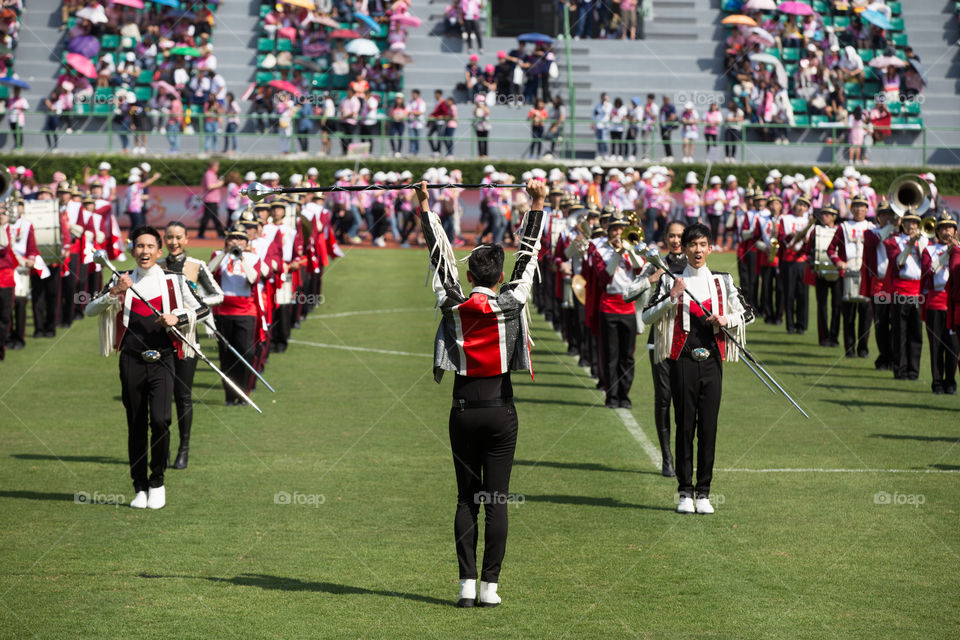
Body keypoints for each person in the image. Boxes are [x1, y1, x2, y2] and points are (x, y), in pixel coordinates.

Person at [413, 177, 545, 608]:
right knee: (497, 499)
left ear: (469, 274)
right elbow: (529, 256)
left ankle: (466, 585)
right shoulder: (513, 300)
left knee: (466, 498)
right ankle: (490, 587)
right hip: (501, 410)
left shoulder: (453, 303)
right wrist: (537, 204)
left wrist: (426, 206)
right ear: (499, 276)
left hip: (463, 408)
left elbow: (438, 259)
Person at [84, 226, 210, 509]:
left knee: (162, 420)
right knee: (136, 423)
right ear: (133, 251)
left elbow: (203, 309)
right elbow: (90, 310)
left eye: (150, 247)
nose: (144, 252)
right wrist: (113, 292)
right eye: (139, 246)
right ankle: (139, 486)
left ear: (159, 251)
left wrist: (178, 318)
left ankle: (157, 481)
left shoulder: (174, 281)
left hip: (164, 359)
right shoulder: (121, 279)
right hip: (131, 360)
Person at [642, 223, 753, 515]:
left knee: (708, 426)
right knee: (685, 425)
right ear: (684, 248)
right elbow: (646, 315)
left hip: (713, 362)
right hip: (682, 361)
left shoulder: (723, 281)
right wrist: (672, 297)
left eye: (703, 244)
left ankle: (704, 491)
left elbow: (748, 312)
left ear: (711, 248)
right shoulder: (671, 280)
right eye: (692, 245)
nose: (697, 250)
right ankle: (684, 492)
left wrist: (726, 319)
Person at [158, 222, 224, 468]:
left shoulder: (197, 266)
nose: (173, 242)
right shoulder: (156, 267)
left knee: (182, 396)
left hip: (187, 339)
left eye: (178, 237)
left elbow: (217, 295)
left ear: (186, 239)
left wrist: (192, 302)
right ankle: (162, 448)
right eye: (169, 237)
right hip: (161, 338)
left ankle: (183, 449)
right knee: (161, 398)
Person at [630, 220, 685, 476]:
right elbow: (628, 293)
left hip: (686, 343)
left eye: (680, 237)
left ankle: (683, 454)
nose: (675, 241)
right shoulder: (655, 262)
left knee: (685, 402)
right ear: (665, 237)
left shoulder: (695, 266)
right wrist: (651, 278)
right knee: (664, 400)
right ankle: (667, 457)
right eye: (671, 236)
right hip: (660, 341)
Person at [208, 224, 264, 404]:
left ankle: (243, 394)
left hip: (246, 311)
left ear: (247, 242)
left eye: (241, 239)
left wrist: (242, 259)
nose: (237, 242)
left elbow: (253, 279)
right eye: (233, 238)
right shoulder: (218, 255)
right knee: (226, 355)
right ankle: (229, 396)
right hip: (223, 311)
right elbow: (208, 272)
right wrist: (225, 253)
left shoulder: (253, 257)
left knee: (246, 353)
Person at [594, 210, 641, 409]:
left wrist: (629, 250)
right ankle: (611, 395)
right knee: (610, 355)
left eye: (622, 228)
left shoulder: (633, 248)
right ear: (609, 231)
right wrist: (617, 254)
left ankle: (625, 394)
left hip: (628, 307)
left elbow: (640, 270)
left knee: (627, 356)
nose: (618, 232)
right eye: (615, 229)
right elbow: (604, 277)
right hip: (609, 307)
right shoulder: (599, 250)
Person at [884, 209, 927, 380]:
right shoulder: (893, 241)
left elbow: (927, 264)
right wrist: (909, 245)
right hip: (901, 290)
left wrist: (920, 243)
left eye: (915, 223)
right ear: (903, 223)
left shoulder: (924, 242)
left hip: (918, 291)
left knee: (916, 332)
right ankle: (900, 370)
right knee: (899, 332)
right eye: (908, 222)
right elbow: (897, 263)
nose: (912, 225)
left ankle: (913, 370)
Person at [828, 195, 874, 356]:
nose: (859, 209)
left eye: (862, 206)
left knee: (866, 314)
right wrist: (838, 262)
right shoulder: (843, 227)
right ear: (851, 208)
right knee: (848, 314)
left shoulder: (872, 227)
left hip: (866, 277)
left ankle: (863, 348)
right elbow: (831, 249)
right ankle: (849, 349)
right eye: (856, 206)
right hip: (847, 274)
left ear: (867, 209)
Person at [921, 212, 958, 394]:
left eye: (950, 227)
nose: (947, 232)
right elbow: (930, 271)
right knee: (936, 346)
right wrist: (948, 254)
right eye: (943, 228)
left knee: (953, 346)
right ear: (937, 231)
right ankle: (937, 382)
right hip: (936, 302)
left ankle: (951, 382)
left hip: (954, 304)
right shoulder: (930, 250)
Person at [811, 206, 842, 347]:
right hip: (821, 273)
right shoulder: (815, 231)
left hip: (837, 273)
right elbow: (808, 251)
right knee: (821, 306)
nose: (824, 217)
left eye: (828, 214)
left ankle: (834, 337)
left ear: (834, 217)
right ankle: (823, 337)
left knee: (837, 306)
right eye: (823, 214)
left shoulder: (841, 230)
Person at [199, 160, 225, 239]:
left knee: (210, 217)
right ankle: (221, 234)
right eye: (217, 166)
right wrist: (219, 184)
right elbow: (209, 186)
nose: (218, 168)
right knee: (212, 218)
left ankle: (201, 233)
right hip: (210, 200)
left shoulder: (211, 174)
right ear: (213, 166)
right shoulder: (209, 174)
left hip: (212, 199)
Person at [659, 95, 677, 162]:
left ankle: (670, 155)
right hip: (663, 127)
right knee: (664, 141)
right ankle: (667, 155)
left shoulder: (671, 107)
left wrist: (665, 121)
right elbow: (661, 115)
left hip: (668, 127)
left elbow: (672, 116)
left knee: (667, 140)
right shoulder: (663, 107)